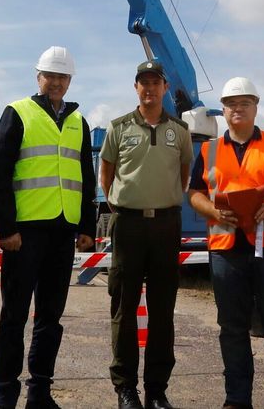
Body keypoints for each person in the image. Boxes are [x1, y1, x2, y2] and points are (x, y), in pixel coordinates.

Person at [188, 76, 264, 409]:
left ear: (255, 107)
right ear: (223, 110)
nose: (237, 109)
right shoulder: (209, 150)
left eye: (244, 103)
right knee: (232, 328)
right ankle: (237, 399)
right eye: (231, 104)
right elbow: (195, 193)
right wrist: (213, 211)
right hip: (227, 250)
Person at [0, 46, 97, 409]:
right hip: (24, 234)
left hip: (63, 231)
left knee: (50, 317)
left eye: (63, 76)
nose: (56, 82)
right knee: (14, 315)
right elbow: (0, 174)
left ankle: (40, 392)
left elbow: (86, 176)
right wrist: (7, 229)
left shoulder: (79, 122)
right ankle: (5, 394)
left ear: (70, 81)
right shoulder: (18, 112)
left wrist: (87, 226)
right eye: (50, 75)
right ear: (38, 77)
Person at [99, 59, 194, 409]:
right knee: (124, 307)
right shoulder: (119, 127)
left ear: (165, 87)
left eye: (156, 82)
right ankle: (125, 388)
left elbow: (184, 174)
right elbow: (106, 174)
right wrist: (125, 204)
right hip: (129, 225)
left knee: (162, 309)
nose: (150, 88)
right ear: (136, 87)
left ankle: (156, 390)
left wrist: (161, 200)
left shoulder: (179, 130)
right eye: (144, 82)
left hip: (166, 225)